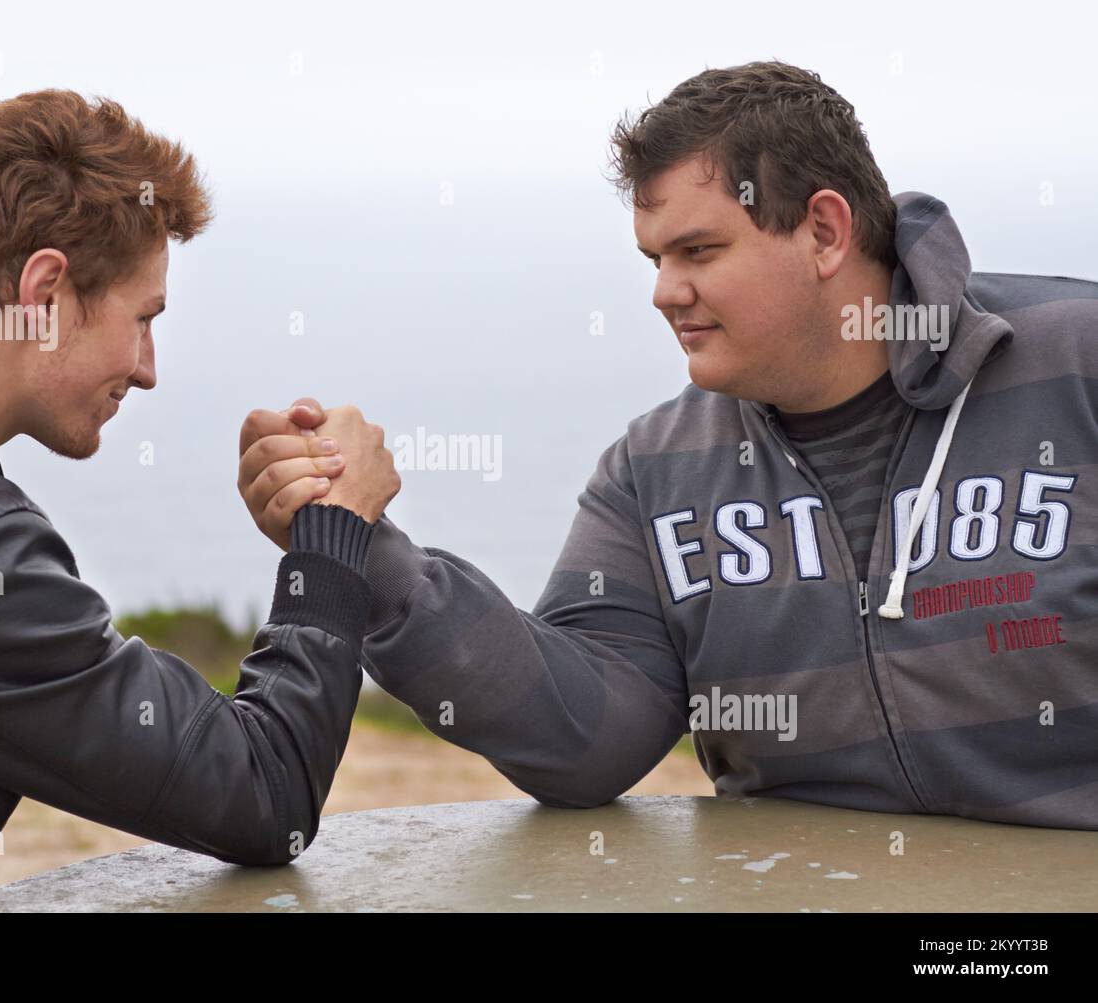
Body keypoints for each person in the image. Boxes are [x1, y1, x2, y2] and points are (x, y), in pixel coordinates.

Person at [240, 61, 1098, 830]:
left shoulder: (1076, 364)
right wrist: (367, 550)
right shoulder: (654, 468)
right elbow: (587, 738)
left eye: (699, 250)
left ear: (826, 232)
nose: (662, 291)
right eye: (655, 256)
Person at [0, 90, 398, 912]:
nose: (148, 367)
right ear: (45, 292)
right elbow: (265, 793)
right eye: (142, 317)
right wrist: (332, 539)